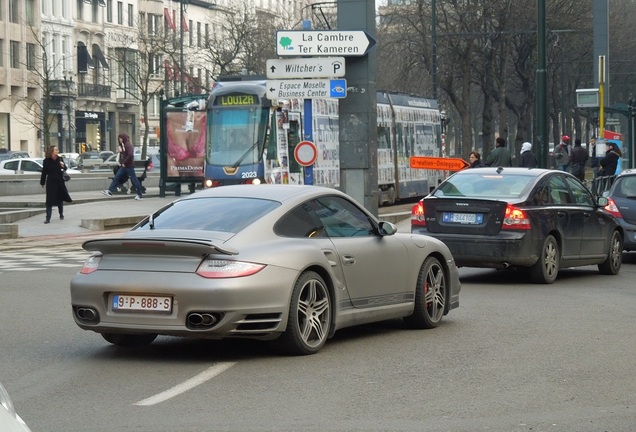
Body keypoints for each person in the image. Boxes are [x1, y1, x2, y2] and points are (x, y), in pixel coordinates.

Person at [102, 133, 143, 200]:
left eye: (120, 138)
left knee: (133, 179)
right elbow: (127, 155)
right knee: (117, 177)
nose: (119, 140)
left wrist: (124, 162)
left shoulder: (127, 145)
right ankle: (110, 191)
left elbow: (130, 155)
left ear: (123, 138)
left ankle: (139, 194)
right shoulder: (125, 145)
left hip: (128, 166)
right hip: (125, 166)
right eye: (119, 138)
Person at [40, 145, 72, 224]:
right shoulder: (46, 161)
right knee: (49, 201)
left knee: (59, 199)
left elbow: (65, 169)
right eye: (56, 150)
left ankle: (61, 214)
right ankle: (48, 218)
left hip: (59, 182)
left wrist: (63, 166)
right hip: (51, 182)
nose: (57, 151)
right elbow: (44, 172)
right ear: (52, 151)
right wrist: (42, 182)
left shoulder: (60, 159)